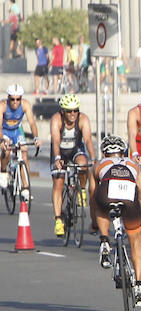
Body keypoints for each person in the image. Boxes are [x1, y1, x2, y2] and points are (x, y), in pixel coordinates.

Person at [91, 134, 141, 306]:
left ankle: (105, 242)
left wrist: (94, 223)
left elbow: (92, 198)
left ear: (104, 153)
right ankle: (139, 285)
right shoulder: (133, 165)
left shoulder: (99, 164)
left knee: (100, 203)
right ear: (123, 153)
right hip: (129, 196)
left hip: (107, 191)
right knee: (136, 242)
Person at [50, 94, 95, 238]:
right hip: (60, 151)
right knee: (58, 182)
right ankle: (58, 220)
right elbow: (56, 141)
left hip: (75, 149)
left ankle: (81, 189)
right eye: (69, 111)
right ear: (63, 111)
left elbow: (87, 140)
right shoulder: (56, 119)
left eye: (75, 110)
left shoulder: (83, 119)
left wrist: (93, 157)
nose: (73, 114)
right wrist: (57, 158)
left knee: (83, 165)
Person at [0, 84, 40, 198]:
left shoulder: (25, 104)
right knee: (6, 151)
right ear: (8, 98)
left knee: (24, 154)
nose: (15, 102)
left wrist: (36, 138)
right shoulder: (2, 106)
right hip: (4, 131)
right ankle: (3, 172)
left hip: (17, 130)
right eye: (12, 99)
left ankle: (25, 187)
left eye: (18, 99)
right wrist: (2, 140)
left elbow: (32, 122)